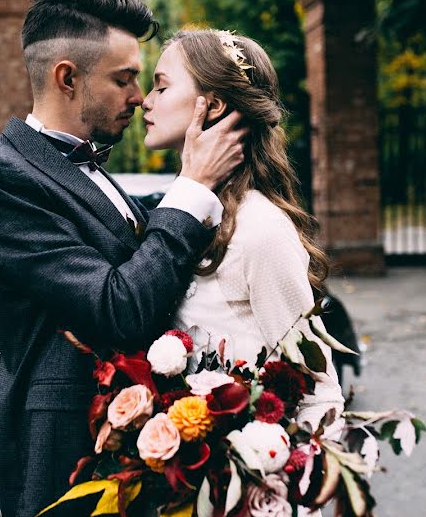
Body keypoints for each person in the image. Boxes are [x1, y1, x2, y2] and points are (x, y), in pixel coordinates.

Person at [0, 0, 246, 517]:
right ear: (66, 77)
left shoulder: (91, 165)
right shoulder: (0, 177)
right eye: (125, 79)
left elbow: (149, 248)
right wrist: (192, 186)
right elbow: (120, 308)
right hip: (67, 461)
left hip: (135, 457)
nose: (139, 98)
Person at [142, 29, 345, 447]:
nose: (146, 100)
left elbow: (319, 390)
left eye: (161, 86)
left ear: (211, 105)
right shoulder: (183, 215)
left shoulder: (260, 230)